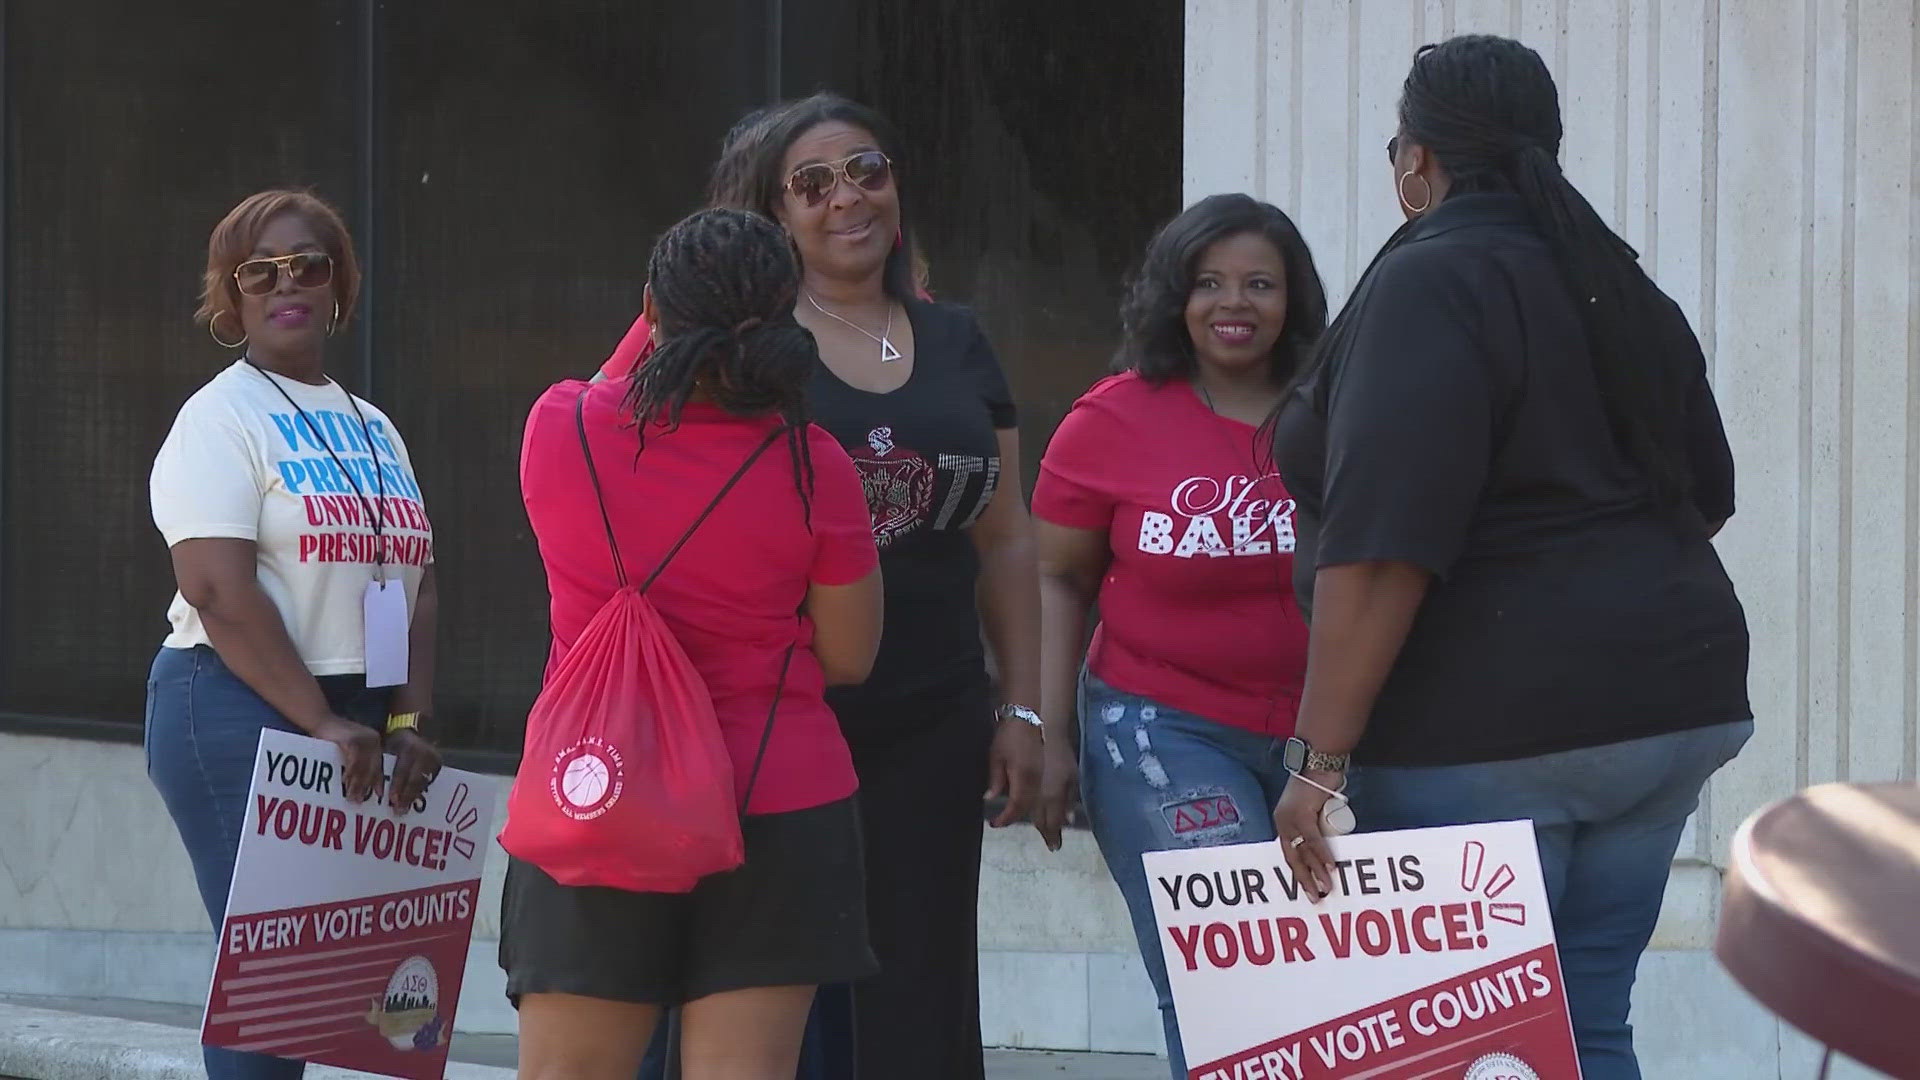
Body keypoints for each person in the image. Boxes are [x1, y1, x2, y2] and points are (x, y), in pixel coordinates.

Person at [1266, 35, 1752, 1080]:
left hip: (1484, 730)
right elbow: (1707, 498)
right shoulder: (1620, 285)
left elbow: (1383, 550)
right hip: (1670, 705)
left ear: (1417, 163)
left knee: (1459, 1046)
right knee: (1580, 1024)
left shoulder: (1430, 283)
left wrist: (1317, 760)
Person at [704, 91, 1046, 1080]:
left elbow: (1008, 537)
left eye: (868, 170)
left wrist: (1022, 707)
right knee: (789, 990)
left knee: (923, 987)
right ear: (773, 213)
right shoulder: (747, 352)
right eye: (812, 183)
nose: (847, 197)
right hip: (787, 715)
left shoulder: (957, 341)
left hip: (937, 717)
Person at [503, 206, 884, 1080]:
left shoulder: (560, 429)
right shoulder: (810, 463)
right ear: (786, 319)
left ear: (649, 308)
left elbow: (616, 381)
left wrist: (664, 316)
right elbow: (851, 655)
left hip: (597, 789)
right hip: (777, 800)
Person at [147, 189, 442, 1080]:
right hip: (233, 703)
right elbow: (217, 588)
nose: (288, 284)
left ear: (337, 285)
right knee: (274, 973)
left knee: (323, 984)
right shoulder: (220, 417)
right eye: (259, 270)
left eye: (309, 264)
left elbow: (414, 586)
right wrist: (317, 719)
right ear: (229, 297)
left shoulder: (371, 423)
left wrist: (404, 721)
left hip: (350, 713)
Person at [1031, 194, 1328, 1077]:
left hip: (1333, 733)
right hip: (1161, 724)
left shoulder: (1338, 409)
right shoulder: (1112, 419)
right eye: (1209, 284)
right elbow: (1057, 576)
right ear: (1175, 296)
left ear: (1293, 299)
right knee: (1228, 977)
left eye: (1259, 284)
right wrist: (1049, 734)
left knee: (1345, 977)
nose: (1233, 304)